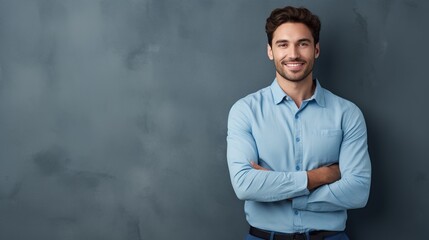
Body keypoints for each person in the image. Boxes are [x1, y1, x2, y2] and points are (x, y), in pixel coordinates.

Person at [226, 6, 371, 240]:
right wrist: (321, 176)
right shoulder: (245, 111)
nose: (293, 54)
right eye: (283, 44)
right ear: (270, 51)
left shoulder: (347, 113)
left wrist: (285, 192)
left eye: (302, 43)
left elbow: (358, 191)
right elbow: (245, 184)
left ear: (316, 50)